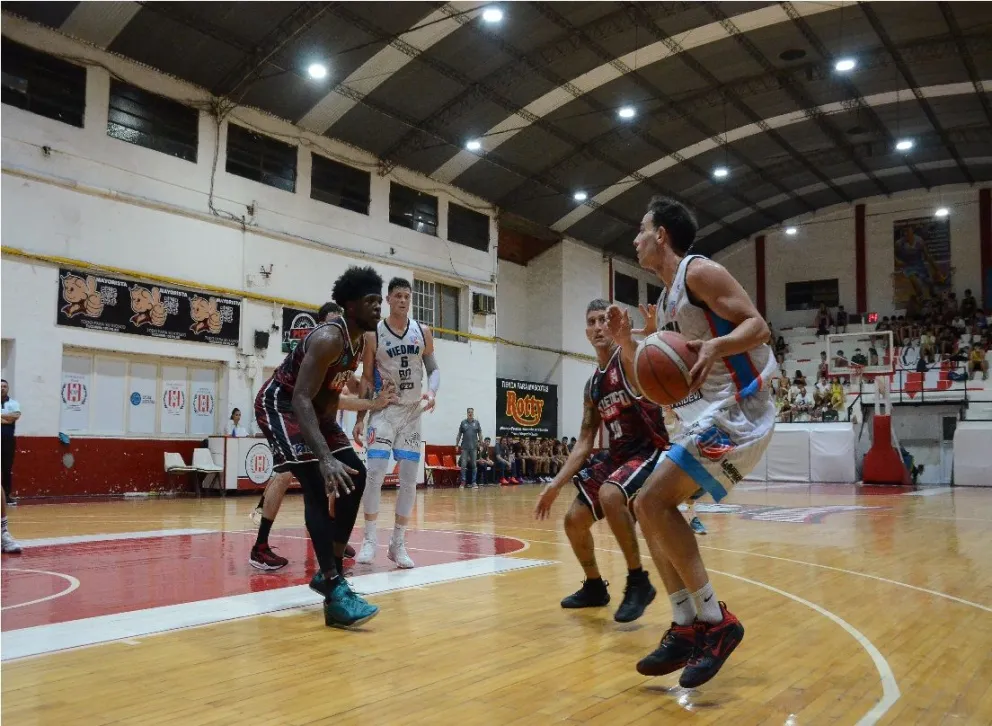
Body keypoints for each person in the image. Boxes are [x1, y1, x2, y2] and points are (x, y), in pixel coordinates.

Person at [621, 197, 776, 688]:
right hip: (711, 411)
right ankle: (686, 625)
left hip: (743, 404)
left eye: (641, 229)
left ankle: (716, 622)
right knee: (646, 509)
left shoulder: (699, 272)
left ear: (661, 234)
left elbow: (758, 325)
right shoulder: (667, 298)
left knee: (651, 501)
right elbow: (658, 379)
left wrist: (717, 344)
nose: (635, 238)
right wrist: (635, 344)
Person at [253, 266, 395, 628]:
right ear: (349, 305)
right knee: (318, 485)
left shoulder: (361, 340)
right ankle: (333, 584)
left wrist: (336, 440)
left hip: (317, 411)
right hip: (282, 407)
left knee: (355, 476)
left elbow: (328, 395)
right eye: (370, 301)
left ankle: (327, 573)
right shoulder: (329, 338)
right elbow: (299, 397)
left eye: (380, 300)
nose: (378, 307)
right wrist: (325, 456)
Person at [535, 298, 667, 624]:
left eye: (604, 320)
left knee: (610, 493)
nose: (598, 327)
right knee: (573, 521)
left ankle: (638, 581)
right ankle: (595, 586)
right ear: (586, 330)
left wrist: (646, 335)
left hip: (649, 449)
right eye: (592, 321)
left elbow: (640, 352)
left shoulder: (629, 360)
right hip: (619, 456)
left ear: (614, 325)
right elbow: (583, 443)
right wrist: (554, 484)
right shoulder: (593, 384)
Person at [250, 302, 361, 561]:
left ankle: (331, 536)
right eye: (332, 322)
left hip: (317, 421)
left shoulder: (343, 351)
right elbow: (334, 398)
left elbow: (352, 386)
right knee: (287, 474)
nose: (337, 328)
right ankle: (261, 545)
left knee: (332, 476)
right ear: (321, 325)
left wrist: (373, 381)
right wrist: (370, 402)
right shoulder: (316, 349)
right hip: (286, 412)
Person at [352, 277, 440, 569]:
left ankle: (397, 544)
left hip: (412, 412)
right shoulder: (373, 334)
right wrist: (361, 416)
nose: (403, 300)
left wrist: (432, 391)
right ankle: (369, 539)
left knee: (409, 481)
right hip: (385, 410)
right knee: (375, 472)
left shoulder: (423, 332)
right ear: (388, 299)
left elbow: (434, 370)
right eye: (398, 295)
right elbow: (366, 377)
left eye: (407, 295)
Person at [1, 380, 20, 504]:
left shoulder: (14, 403)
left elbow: (15, 416)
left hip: (8, 440)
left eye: (4, 386)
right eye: (0, 386)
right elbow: (10, 418)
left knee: (7, 468)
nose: (2, 388)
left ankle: (7, 496)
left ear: (8, 388)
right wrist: (7, 417)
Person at [455, 408, 483, 488]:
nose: (470, 413)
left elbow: (480, 434)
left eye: (471, 412)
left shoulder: (477, 423)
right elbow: (459, 434)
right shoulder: (463, 423)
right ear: (467, 413)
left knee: (474, 464)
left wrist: (481, 444)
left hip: (474, 448)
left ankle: (474, 482)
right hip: (464, 448)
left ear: (473, 413)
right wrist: (456, 445)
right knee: (463, 465)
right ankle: (463, 482)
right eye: (469, 412)